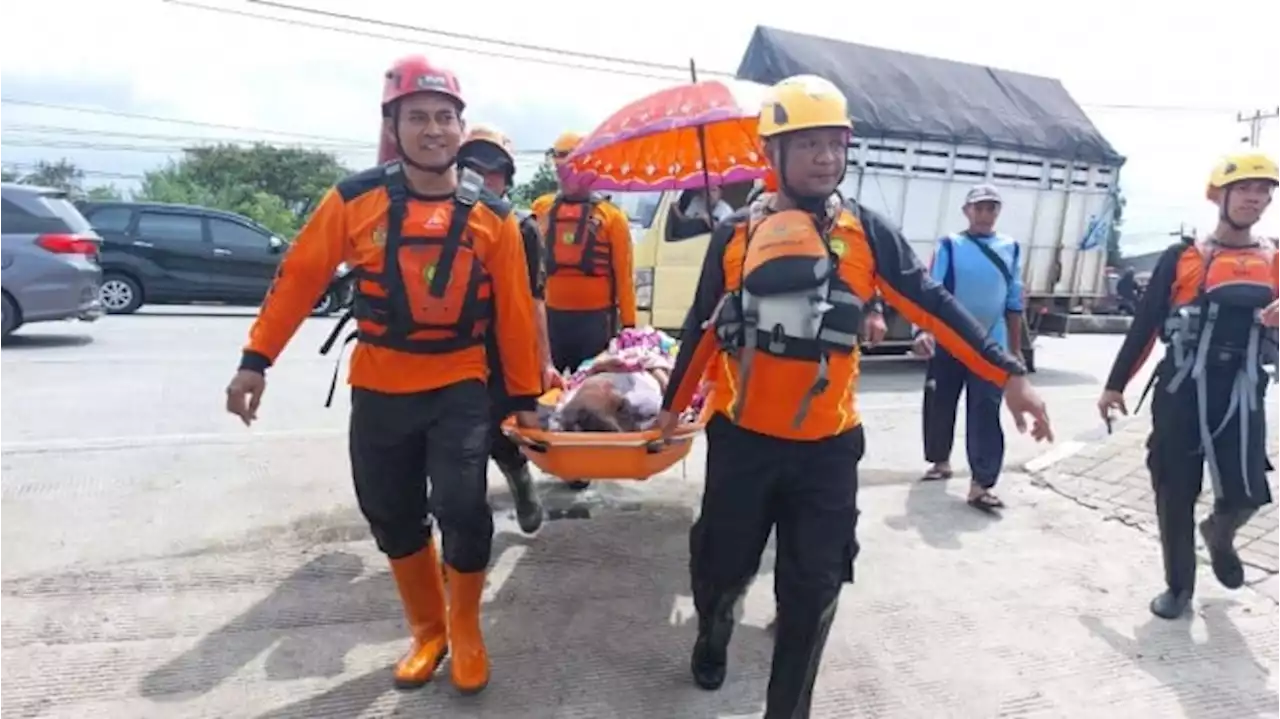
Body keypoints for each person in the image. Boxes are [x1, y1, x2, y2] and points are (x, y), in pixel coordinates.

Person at [656, 74, 1053, 718]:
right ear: (773, 153)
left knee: (814, 590)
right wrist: (672, 409)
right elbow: (704, 324)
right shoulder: (734, 235)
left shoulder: (867, 232)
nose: (825, 158)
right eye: (807, 144)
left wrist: (1009, 373)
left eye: (835, 144)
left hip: (827, 449)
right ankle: (715, 625)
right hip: (742, 439)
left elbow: (935, 306)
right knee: (721, 567)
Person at [224, 54, 542, 695]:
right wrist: (255, 360)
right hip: (380, 387)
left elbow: (513, 314)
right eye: (417, 117)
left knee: (463, 509)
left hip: (459, 385)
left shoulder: (496, 219)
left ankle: (468, 630)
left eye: (445, 118)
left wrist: (527, 400)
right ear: (392, 125)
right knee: (392, 514)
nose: (433, 129)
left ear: (462, 127)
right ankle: (429, 632)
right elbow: (298, 282)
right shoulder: (352, 201)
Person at [1098, 152, 1280, 620]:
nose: (1255, 199)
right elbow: (1145, 325)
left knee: (1246, 493)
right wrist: (1116, 384)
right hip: (1182, 387)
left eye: (1264, 192)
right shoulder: (1182, 258)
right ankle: (1179, 587)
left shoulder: (1275, 259)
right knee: (1174, 488)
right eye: (1245, 189)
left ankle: (1219, 533)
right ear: (1219, 195)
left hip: (1242, 390)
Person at [455, 123, 557, 535]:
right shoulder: (440, 217)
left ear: (507, 177)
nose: (482, 175)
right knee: (458, 451)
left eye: (493, 168)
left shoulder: (523, 228)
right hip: (454, 350)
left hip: (504, 350)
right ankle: (464, 535)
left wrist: (544, 362)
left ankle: (520, 482)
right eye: (471, 165)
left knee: (501, 435)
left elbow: (534, 303)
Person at [917, 183, 1026, 511]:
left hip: (990, 343)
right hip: (951, 338)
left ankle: (981, 484)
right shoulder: (951, 244)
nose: (985, 214)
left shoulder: (1011, 247)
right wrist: (925, 330)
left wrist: (1015, 349)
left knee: (985, 409)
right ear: (967, 211)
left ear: (998, 212)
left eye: (991, 208)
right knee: (940, 400)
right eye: (979, 208)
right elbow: (932, 291)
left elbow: (1014, 299)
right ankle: (940, 460)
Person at [532, 131, 638, 375]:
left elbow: (625, 278)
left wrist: (630, 329)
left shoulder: (612, 218)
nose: (566, 177)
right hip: (551, 320)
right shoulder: (541, 209)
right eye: (561, 170)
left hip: (596, 322)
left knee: (591, 392)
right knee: (545, 388)